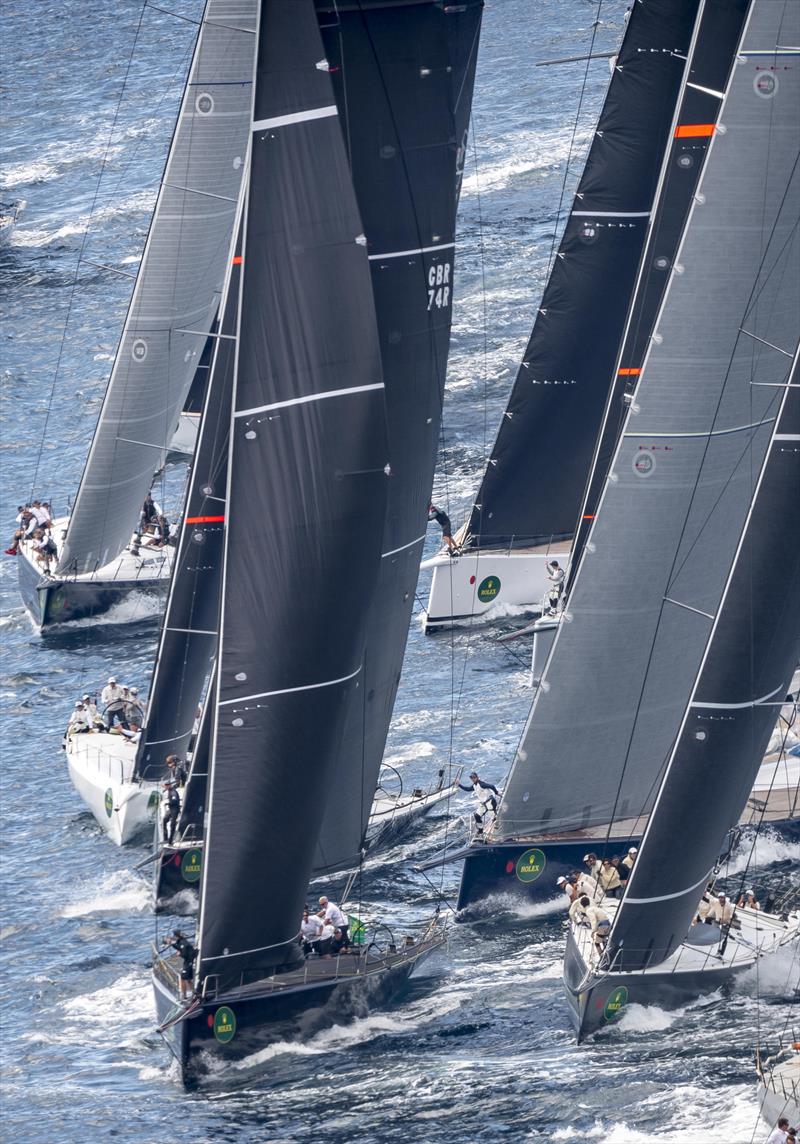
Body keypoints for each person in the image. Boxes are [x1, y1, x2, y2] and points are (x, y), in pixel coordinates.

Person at [455, 771, 501, 836]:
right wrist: (459, 784)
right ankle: (480, 830)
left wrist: (496, 793)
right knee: (477, 816)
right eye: (471, 778)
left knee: (494, 818)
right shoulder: (474, 786)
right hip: (484, 804)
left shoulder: (481, 784)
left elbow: (492, 786)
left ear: (477, 777)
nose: (473, 779)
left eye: (474, 777)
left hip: (490, 802)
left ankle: (499, 830)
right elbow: (467, 789)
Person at [165, 929, 197, 1000]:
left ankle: (184, 996)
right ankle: (194, 993)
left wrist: (180, 954)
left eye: (174, 935)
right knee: (188, 979)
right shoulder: (181, 941)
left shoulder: (183, 943)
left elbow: (185, 954)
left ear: (177, 936)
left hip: (188, 962)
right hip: (188, 961)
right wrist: (172, 944)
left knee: (183, 978)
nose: (173, 937)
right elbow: (179, 947)